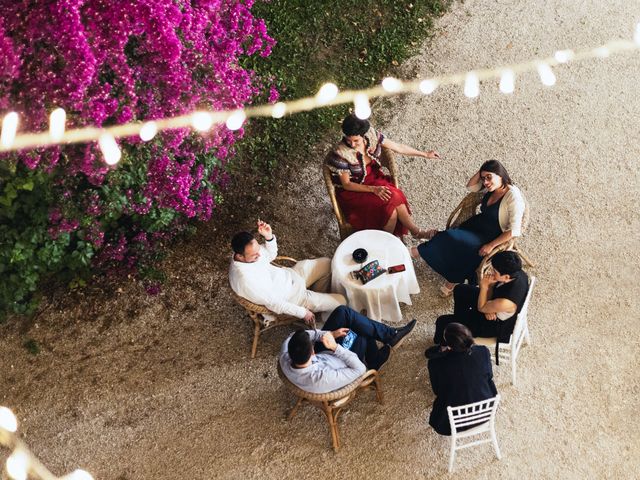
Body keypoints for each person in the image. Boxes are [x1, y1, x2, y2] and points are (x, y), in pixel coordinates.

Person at [412, 159, 525, 296]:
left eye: (489, 178)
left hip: (492, 235)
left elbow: (514, 230)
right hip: (477, 225)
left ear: (500, 175)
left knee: (460, 244)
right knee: (452, 238)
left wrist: (491, 245)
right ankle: (423, 251)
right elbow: (471, 186)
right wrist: (482, 171)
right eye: (483, 179)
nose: (485, 183)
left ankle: (448, 276)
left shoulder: (513, 197)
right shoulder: (491, 187)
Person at [325, 113, 441, 237]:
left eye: (356, 140)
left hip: (374, 178)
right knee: (391, 211)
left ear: (363, 135)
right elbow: (347, 185)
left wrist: (424, 154)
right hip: (354, 191)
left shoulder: (372, 135)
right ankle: (401, 237)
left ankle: (412, 233)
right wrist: (373, 189)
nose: (352, 144)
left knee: (394, 197)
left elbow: (398, 147)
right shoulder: (340, 154)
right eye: (348, 140)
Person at [229, 219, 346, 325]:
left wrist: (269, 238)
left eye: (258, 250)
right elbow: (276, 304)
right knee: (342, 301)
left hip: (291, 275)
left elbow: (270, 255)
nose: (259, 255)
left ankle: (318, 300)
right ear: (240, 256)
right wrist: (303, 313)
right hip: (293, 298)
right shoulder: (246, 281)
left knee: (328, 263)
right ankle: (317, 308)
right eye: (255, 255)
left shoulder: (250, 253)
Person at [280, 305, 417, 394]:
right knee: (359, 330)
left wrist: (330, 335)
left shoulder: (286, 353)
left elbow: (298, 335)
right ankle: (376, 358)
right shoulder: (322, 378)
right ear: (312, 352)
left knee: (343, 312)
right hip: (341, 360)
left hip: (323, 353)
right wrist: (335, 347)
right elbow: (358, 369)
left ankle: (389, 336)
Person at [433, 251, 530, 347]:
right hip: (494, 305)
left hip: (493, 324)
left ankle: (443, 344)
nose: (491, 272)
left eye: (495, 271)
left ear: (506, 277)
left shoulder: (505, 302)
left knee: (442, 321)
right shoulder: (519, 273)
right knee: (460, 289)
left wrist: (484, 287)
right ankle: (460, 324)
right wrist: (488, 306)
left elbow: (481, 307)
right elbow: (486, 305)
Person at [425, 322, 498, 436]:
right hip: (485, 412)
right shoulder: (483, 351)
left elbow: (437, 390)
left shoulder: (436, 363)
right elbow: (489, 376)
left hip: (452, 423)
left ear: (448, 344)